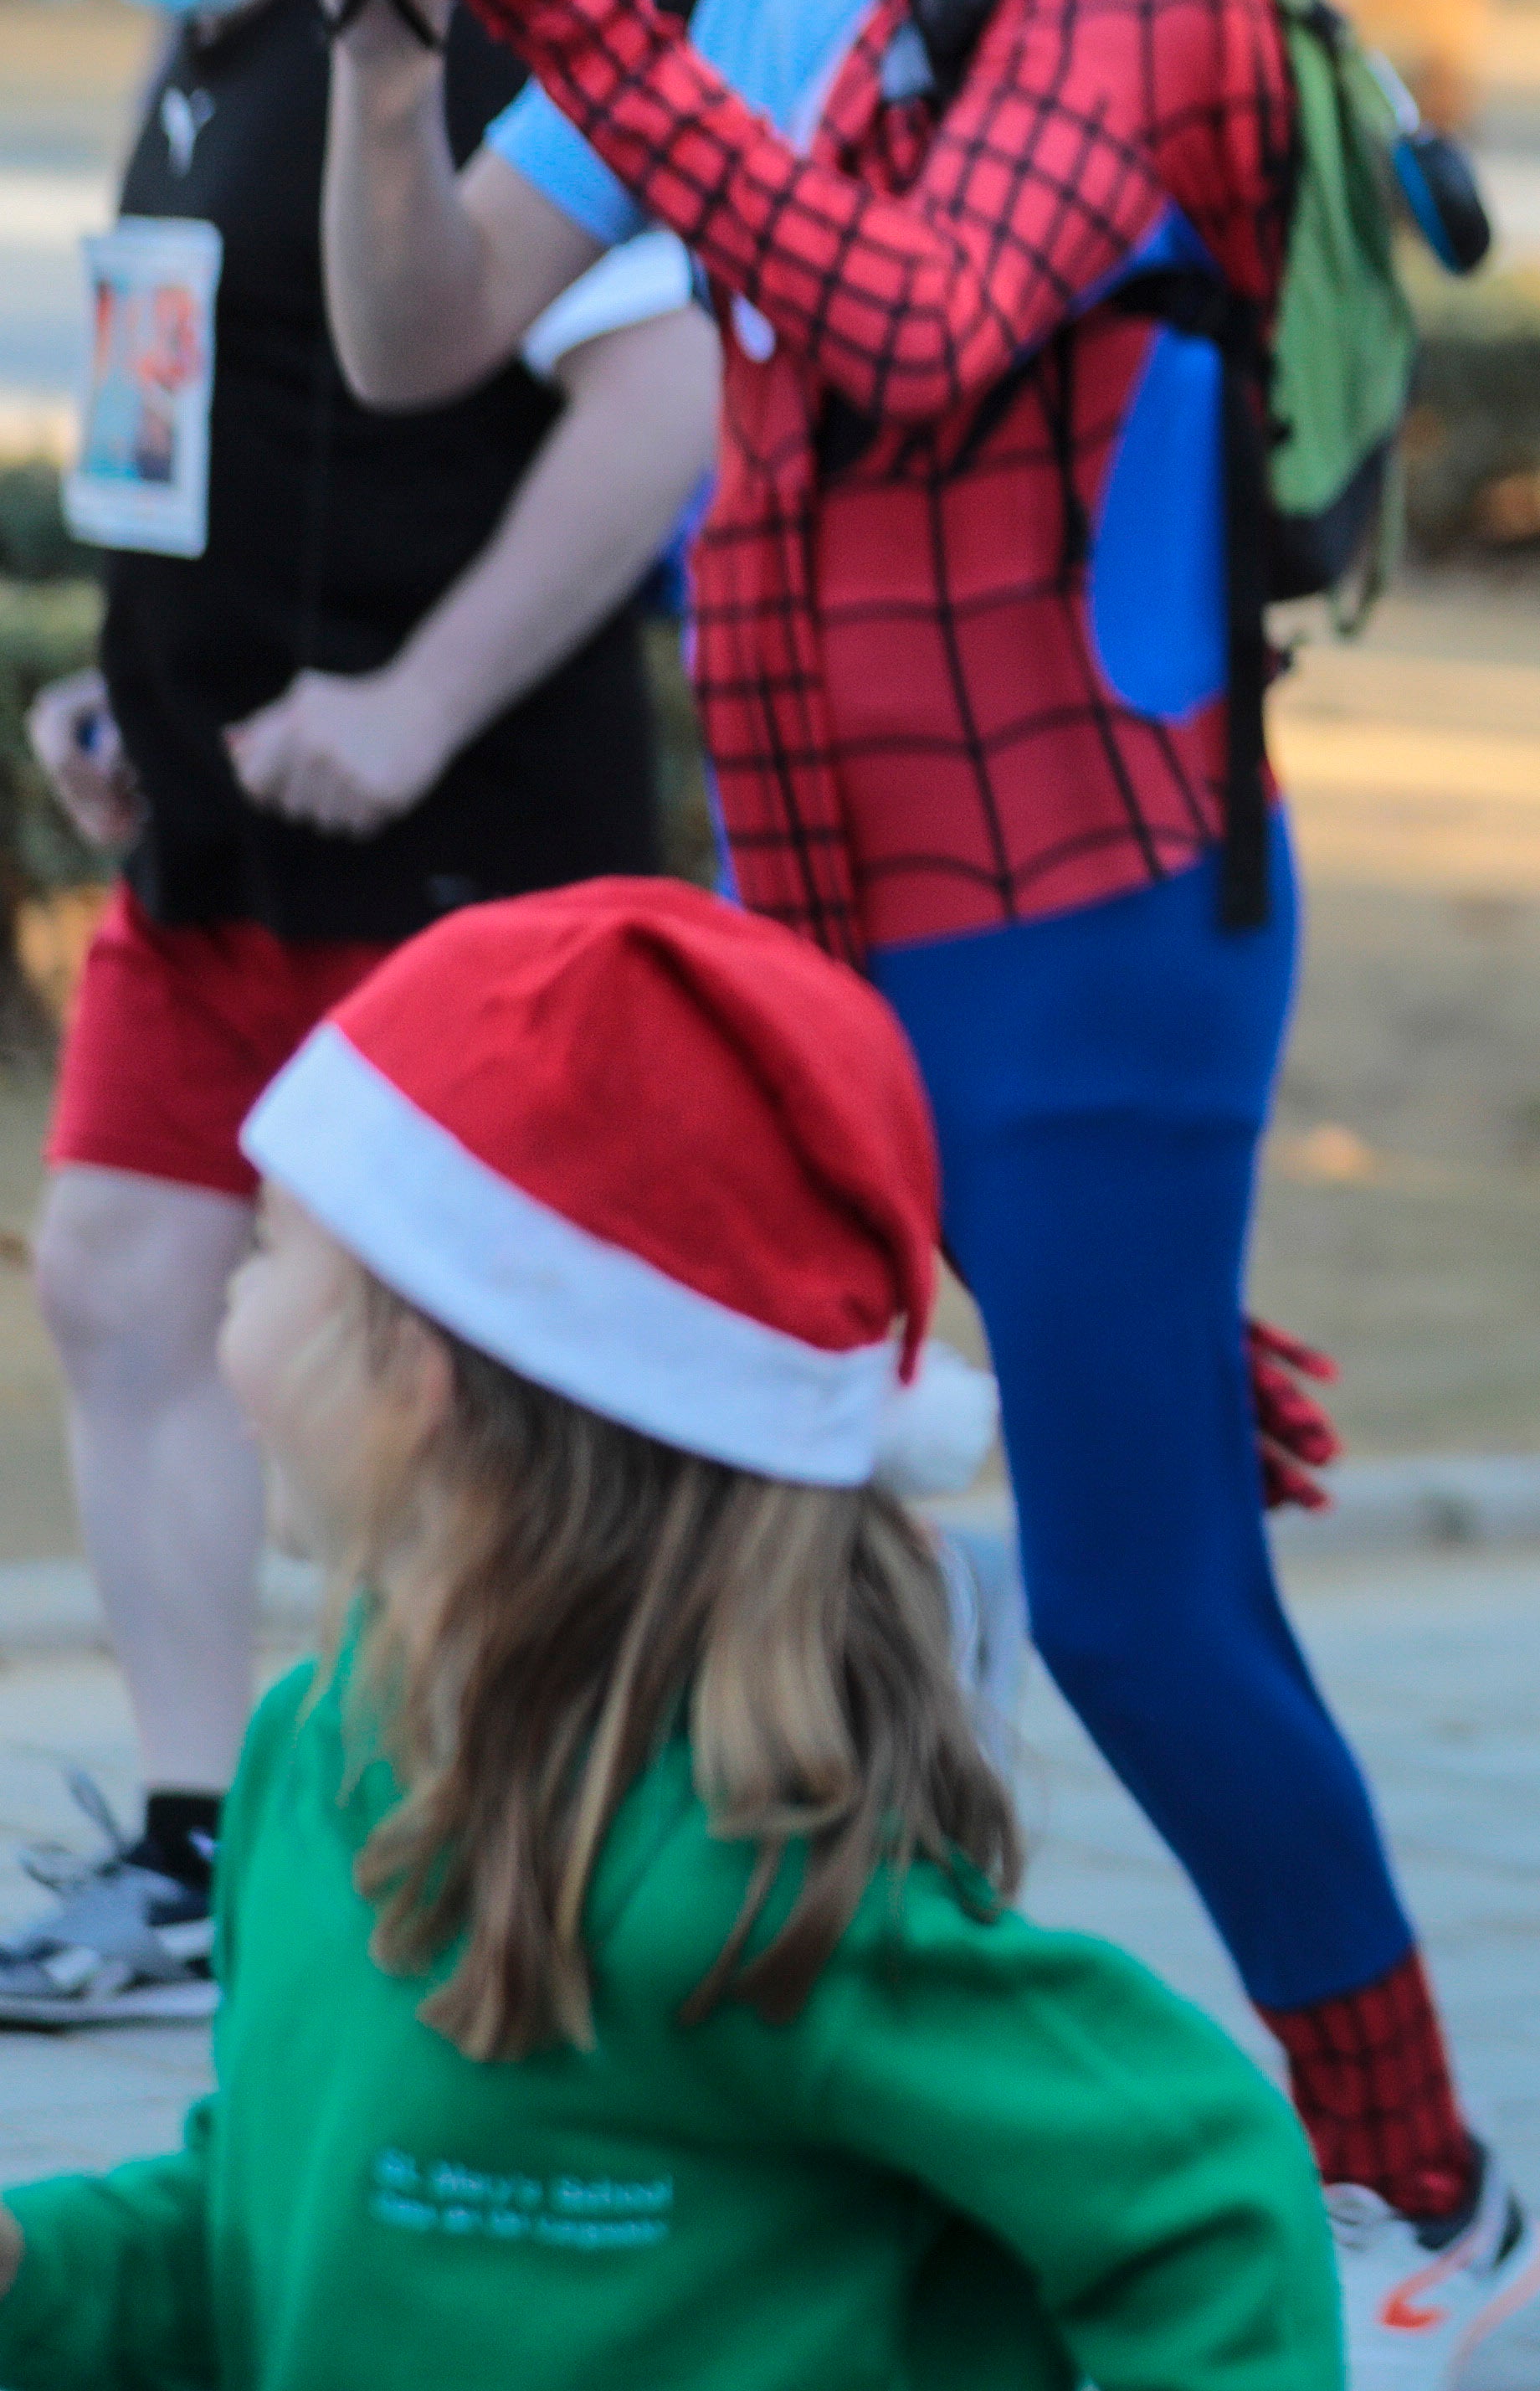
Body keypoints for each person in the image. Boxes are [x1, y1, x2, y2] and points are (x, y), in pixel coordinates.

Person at [292, 0, 1540, 2382]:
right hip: (809, 909)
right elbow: (428, 328)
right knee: (674, 1516)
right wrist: (381, 35)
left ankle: (1428, 2192)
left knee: (1129, 1598)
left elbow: (901, 318)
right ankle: (760, 2127)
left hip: (1086, 900)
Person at [0, 878, 1338, 2384]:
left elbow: (1208, 2197)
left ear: (419, 1373)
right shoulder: (304, 1759)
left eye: (268, 1252)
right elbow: (268, 2243)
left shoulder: (741, 1879)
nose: (226, 1307)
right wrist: (26, 2280)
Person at [0, 0, 711, 2032]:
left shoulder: (462, 37)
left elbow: (660, 411)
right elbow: (203, 431)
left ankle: (529, 1845)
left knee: (451, 1388)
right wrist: (115, 704)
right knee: (111, 1278)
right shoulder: (198, 50)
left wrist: (409, 699)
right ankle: (201, 1857)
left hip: (447, 851)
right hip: (207, 851)